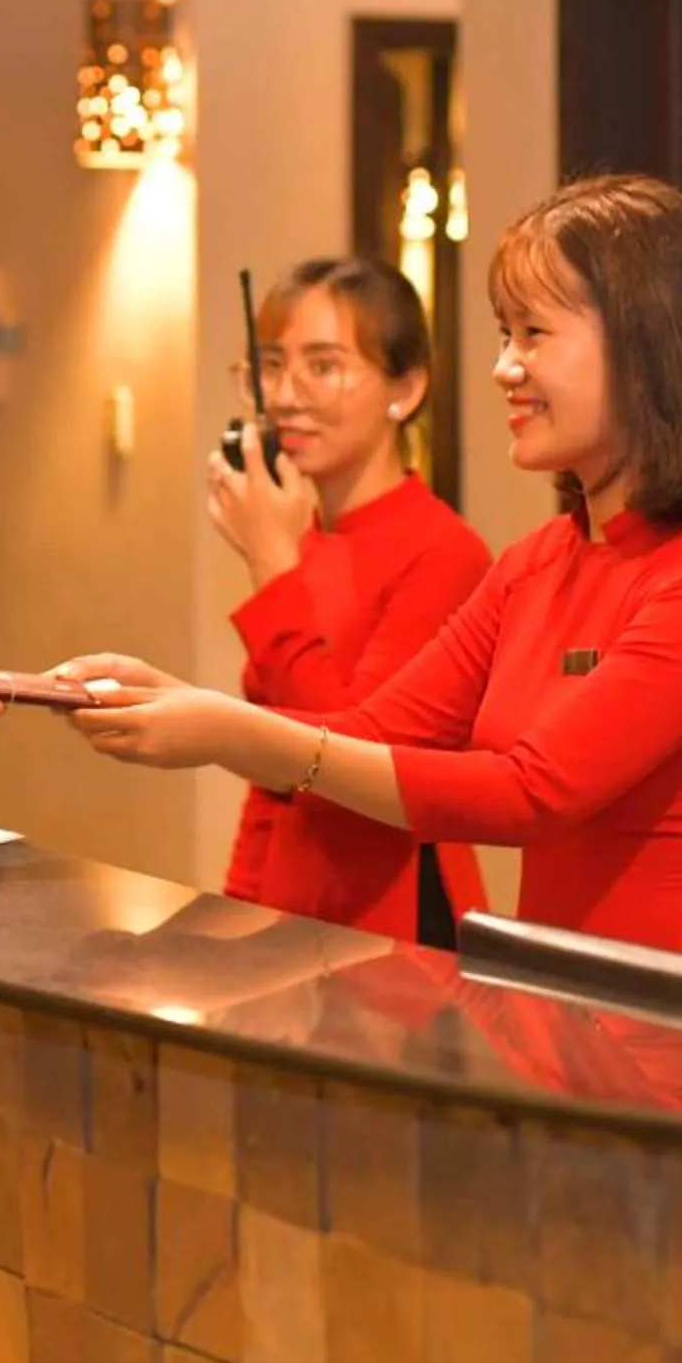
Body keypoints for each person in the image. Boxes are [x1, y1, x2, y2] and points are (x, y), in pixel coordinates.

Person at [61, 174, 682, 968]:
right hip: (553, 991)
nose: (504, 369)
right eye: (503, 335)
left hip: (679, 1007)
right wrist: (186, 708)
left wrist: (224, 728)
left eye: (534, 334)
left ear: (646, 345)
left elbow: (534, 793)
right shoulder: (539, 561)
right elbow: (376, 732)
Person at [194, 257, 491, 944]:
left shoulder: (443, 552)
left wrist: (271, 563)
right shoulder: (303, 533)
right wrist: (237, 916)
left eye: (322, 367)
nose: (287, 395)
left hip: (393, 915)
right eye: (270, 366)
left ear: (405, 388)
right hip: (291, 907)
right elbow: (272, 778)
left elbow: (348, 755)